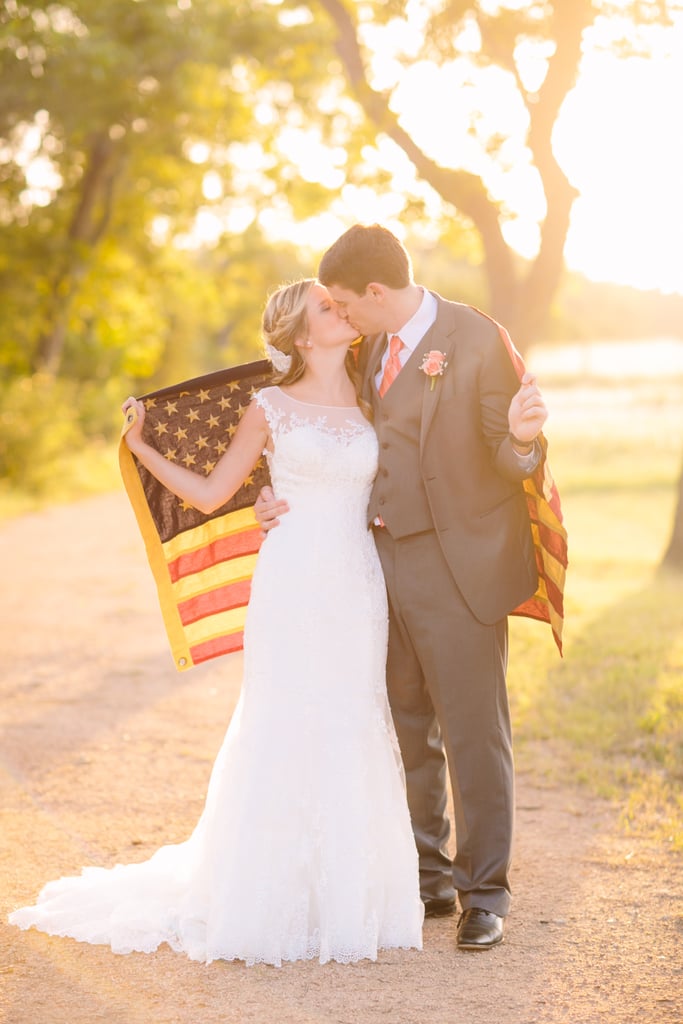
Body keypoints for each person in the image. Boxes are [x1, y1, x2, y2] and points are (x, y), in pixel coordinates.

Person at [8, 278, 424, 967]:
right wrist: (140, 448)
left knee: (354, 715)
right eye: (327, 307)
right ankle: (262, 896)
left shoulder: (373, 393)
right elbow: (208, 492)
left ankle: (345, 898)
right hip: (291, 582)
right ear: (298, 334)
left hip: (358, 584)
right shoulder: (269, 408)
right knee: (284, 720)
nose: (342, 311)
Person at [255, 225, 550, 951]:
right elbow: (312, 417)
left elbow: (512, 456)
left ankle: (486, 892)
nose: (342, 318)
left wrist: (520, 439)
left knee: (474, 732)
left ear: (376, 294)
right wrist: (270, 491)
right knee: (404, 724)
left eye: (347, 306)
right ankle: (428, 877)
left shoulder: (474, 338)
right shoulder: (368, 349)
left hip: (458, 568)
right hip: (372, 566)